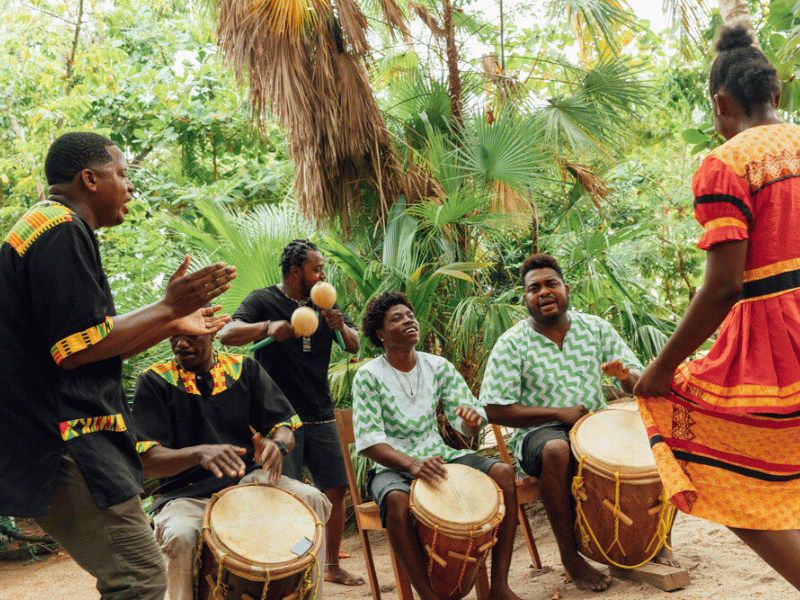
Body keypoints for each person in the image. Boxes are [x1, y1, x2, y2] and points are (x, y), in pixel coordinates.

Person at [0, 132, 236, 600]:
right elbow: (75, 348)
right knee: (140, 578)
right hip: (65, 439)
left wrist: (170, 321)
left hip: (57, 437)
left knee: (136, 576)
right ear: (89, 178)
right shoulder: (59, 229)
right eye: (122, 174)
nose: (129, 187)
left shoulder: (49, 228)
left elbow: (92, 345)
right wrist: (167, 307)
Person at [634, 24, 800, 590]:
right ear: (775, 96)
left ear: (721, 102)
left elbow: (725, 285)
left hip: (776, 342)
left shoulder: (725, 164)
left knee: (708, 459)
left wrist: (657, 371)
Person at [479, 253, 663, 592]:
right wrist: (557, 413)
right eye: (534, 288)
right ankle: (570, 556)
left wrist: (624, 376)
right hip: (539, 433)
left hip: (594, 427)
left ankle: (648, 537)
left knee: (649, 437)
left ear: (566, 288)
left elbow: (636, 382)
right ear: (525, 299)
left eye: (551, 284)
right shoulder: (511, 343)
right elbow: (493, 410)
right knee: (556, 449)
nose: (544, 292)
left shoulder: (595, 328)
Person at [132, 328, 332, 600]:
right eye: (174, 335)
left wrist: (279, 444)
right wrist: (198, 453)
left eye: (191, 335)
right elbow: (148, 462)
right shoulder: (154, 380)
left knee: (312, 499)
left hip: (246, 482)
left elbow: (284, 426)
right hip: (185, 495)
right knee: (181, 536)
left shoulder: (243, 368)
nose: (180, 343)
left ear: (212, 332)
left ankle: (309, 594)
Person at [352, 291, 524, 600]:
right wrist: (412, 465)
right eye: (396, 318)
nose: (409, 320)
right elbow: (369, 443)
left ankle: (499, 586)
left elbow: (467, 423)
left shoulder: (438, 366)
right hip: (391, 466)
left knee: (503, 473)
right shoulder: (369, 376)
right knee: (396, 502)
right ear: (381, 334)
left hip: (441, 456)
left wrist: (471, 422)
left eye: (410, 315)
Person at [218, 239, 363, 586]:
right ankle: (289, 570)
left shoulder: (325, 302)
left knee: (335, 488)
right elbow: (226, 334)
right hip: (279, 421)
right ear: (296, 272)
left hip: (321, 411)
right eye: (317, 269)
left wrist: (339, 325)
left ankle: (330, 566)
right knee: (285, 494)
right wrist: (267, 328)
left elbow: (355, 345)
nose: (323, 274)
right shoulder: (262, 300)